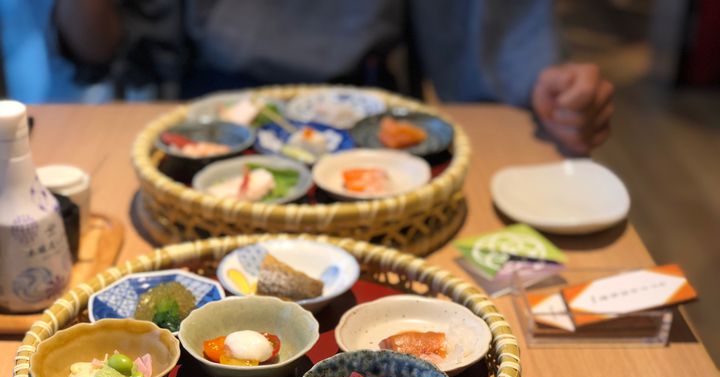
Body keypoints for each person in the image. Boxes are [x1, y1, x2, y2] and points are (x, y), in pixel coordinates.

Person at [54, 0, 613, 154]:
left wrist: (552, 90)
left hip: (368, 111)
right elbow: (102, 45)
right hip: (211, 112)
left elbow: (497, 42)